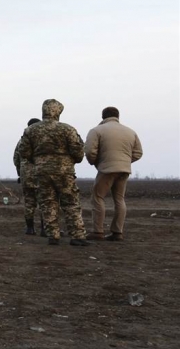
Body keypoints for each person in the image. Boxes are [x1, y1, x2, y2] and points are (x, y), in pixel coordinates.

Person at [17, 99, 89, 246]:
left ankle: (53, 235)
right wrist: (69, 160)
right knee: (70, 202)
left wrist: (38, 160)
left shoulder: (31, 130)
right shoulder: (67, 129)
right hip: (64, 172)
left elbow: (23, 152)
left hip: (42, 172)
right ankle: (77, 235)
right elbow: (78, 152)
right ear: (58, 111)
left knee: (48, 203)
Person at [84, 107, 143, 241]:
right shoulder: (130, 132)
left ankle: (98, 231)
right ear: (118, 116)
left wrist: (96, 162)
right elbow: (138, 153)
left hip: (106, 169)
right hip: (124, 170)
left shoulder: (96, 131)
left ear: (103, 116)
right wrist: (125, 162)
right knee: (119, 199)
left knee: (98, 197)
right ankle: (117, 232)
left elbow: (89, 151)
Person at [13, 118, 42, 235]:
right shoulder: (43, 139)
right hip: (41, 175)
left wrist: (20, 174)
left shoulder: (22, 141)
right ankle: (45, 229)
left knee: (29, 202)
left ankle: (30, 228)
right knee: (44, 202)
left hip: (26, 175)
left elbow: (16, 159)